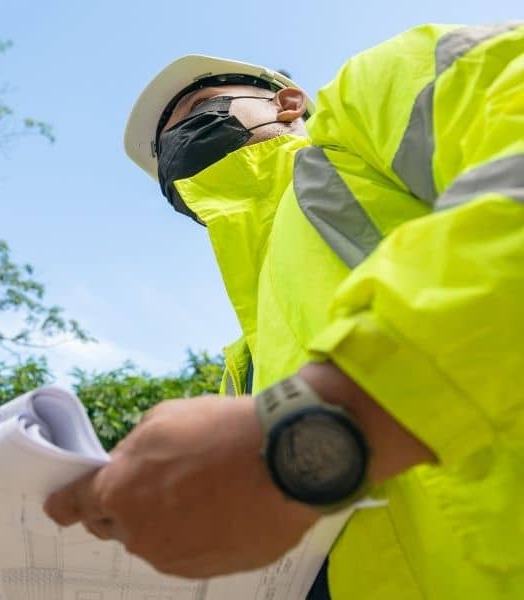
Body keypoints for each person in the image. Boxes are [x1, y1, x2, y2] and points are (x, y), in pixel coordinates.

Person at [45, 22, 524, 599]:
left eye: (197, 108)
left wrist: (319, 428)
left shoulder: (363, 108)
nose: (176, 144)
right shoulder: (241, 369)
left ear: (288, 103)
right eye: (163, 152)